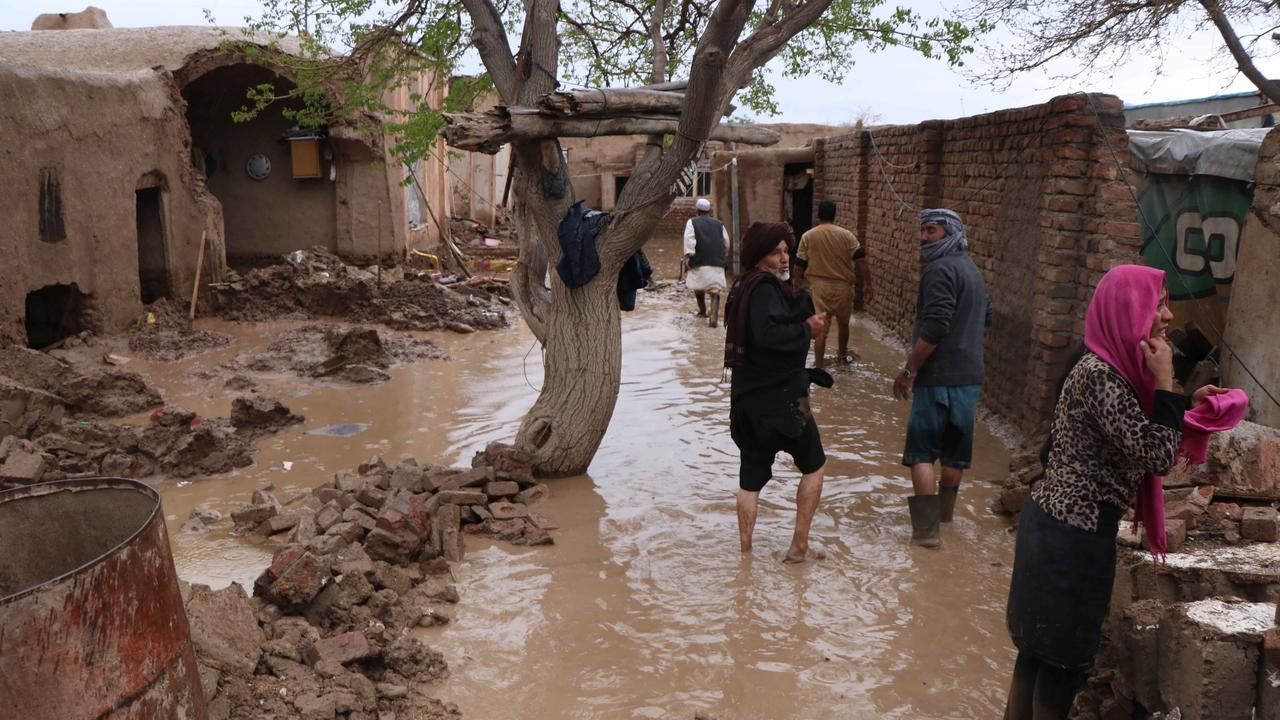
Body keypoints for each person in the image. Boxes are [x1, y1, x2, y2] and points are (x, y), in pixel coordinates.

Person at [1002, 264, 1227, 719]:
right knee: (1061, 666)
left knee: (1036, 654)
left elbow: (1136, 428)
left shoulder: (1100, 366)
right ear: (1128, 310)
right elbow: (1157, 455)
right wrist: (1166, 382)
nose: (1166, 315)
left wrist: (1182, 400)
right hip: (1075, 540)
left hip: (1050, 526)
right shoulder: (1103, 378)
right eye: (1157, 303)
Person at [724, 221, 828, 563]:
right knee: (815, 466)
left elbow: (756, 337)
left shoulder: (743, 287)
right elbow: (769, 336)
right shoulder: (766, 289)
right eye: (775, 253)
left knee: (750, 481)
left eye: (786, 251)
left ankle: (745, 554)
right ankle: (798, 546)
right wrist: (807, 329)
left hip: (746, 403)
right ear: (759, 256)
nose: (785, 259)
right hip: (782, 402)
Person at [892, 208, 992, 547]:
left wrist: (910, 369)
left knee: (922, 453)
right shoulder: (973, 271)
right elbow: (987, 319)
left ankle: (926, 532)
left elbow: (934, 326)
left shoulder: (938, 270)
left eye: (931, 231)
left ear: (950, 233)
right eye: (922, 230)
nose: (923, 237)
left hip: (937, 376)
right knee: (955, 453)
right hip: (969, 376)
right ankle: (946, 519)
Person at [795, 200, 874, 367]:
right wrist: (868, 284)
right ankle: (842, 358)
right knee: (844, 324)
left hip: (819, 288)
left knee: (821, 329)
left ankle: (818, 366)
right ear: (834, 215)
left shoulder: (808, 236)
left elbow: (799, 263)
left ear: (819, 215)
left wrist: (796, 284)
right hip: (843, 287)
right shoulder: (847, 235)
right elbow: (860, 260)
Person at [683, 197, 731, 327]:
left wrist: (688, 256)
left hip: (699, 261)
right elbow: (726, 242)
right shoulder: (719, 224)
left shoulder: (692, 222)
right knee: (715, 290)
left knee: (699, 287)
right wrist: (723, 256)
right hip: (717, 263)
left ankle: (702, 311)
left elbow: (689, 240)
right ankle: (714, 318)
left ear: (696, 210)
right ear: (709, 211)